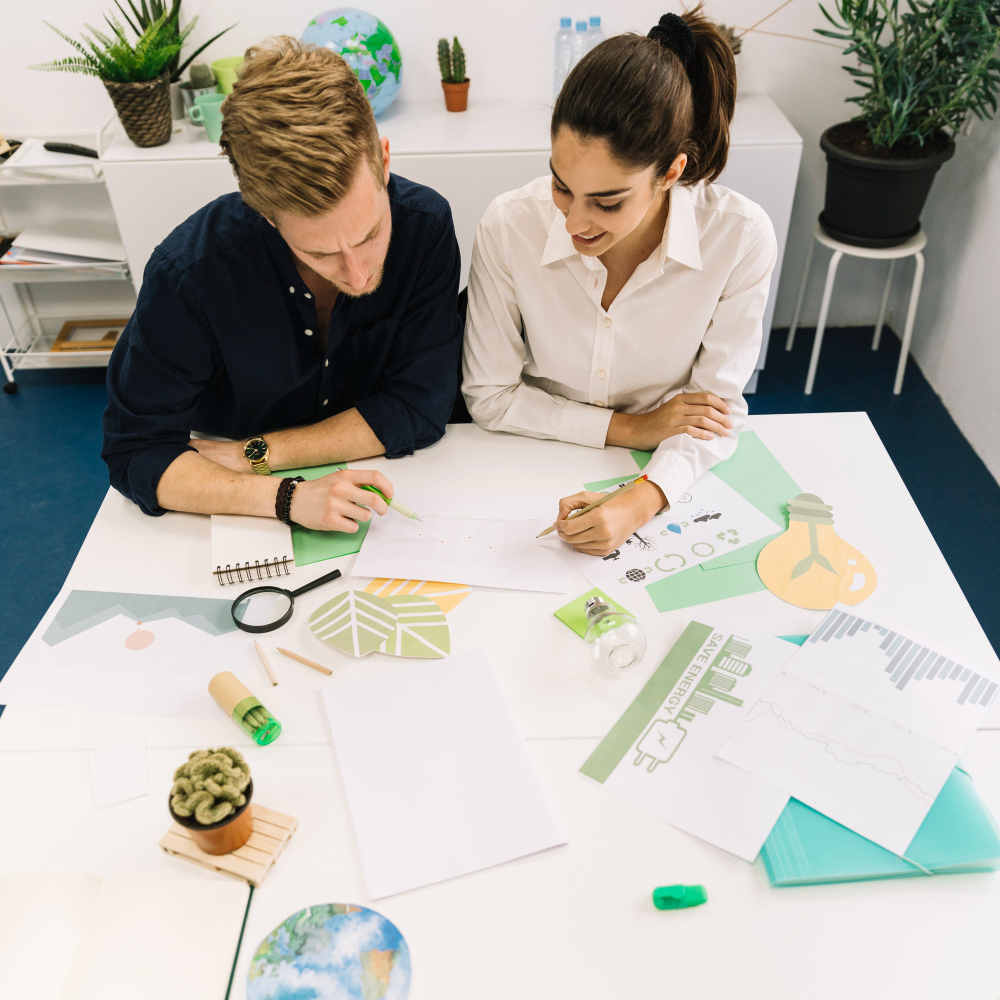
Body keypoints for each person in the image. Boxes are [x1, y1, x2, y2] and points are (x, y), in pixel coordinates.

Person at [102, 37, 462, 534]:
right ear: (266, 216)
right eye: (319, 253)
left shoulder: (426, 226)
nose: (358, 275)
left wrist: (256, 455)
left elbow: (420, 405)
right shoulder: (190, 273)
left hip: (363, 477)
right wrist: (287, 496)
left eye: (371, 234)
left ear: (382, 159)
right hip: (232, 509)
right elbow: (136, 451)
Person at [462, 8, 777, 556]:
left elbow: (714, 415)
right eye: (562, 187)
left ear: (671, 173)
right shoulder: (511, 223)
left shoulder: (740, 238)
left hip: (659, 468)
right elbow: (490, 399)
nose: (574, 223)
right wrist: (635, 428)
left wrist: (643, 497)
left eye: (607, 202)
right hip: (523, 456)